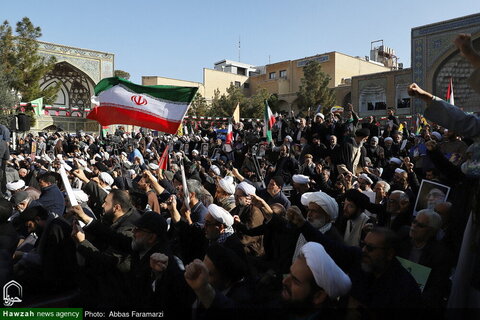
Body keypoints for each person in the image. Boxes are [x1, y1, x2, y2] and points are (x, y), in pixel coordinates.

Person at [286, 206, 421, 313]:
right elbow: (330, 246)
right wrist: (302, 224)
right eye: (364, 245)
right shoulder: (359, 258)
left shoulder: (405, 288)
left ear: (389, 254)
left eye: (370, 248)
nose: (364, 251)